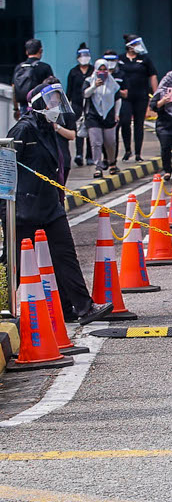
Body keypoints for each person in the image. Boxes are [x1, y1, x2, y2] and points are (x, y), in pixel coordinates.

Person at [7, 81, 114, 325]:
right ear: (38, 104)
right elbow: (7, 170)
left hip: (50, 207)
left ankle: (81, 308)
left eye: (57, 100)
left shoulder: (48, 129)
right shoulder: (23, 130)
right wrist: (7, 212)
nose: (55, 105)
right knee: (15, 266)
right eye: (51, 100)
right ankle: (7, 307)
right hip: (24, 211)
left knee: (65, 256)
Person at [117, 33, 158, 162]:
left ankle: (138, 153)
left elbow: (152, 75)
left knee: (139, 124)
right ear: (129, 47)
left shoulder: (145, 59)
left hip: (141, 95)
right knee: (125, 122)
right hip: (125, 96)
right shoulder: (121, 59)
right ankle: (127, 149)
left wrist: (156, 94)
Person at [84, 58, 122, 178]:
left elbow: (117, 98)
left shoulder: (112, 83)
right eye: (99, 69)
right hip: (93, 116)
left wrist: (117, 113)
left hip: (109, 116)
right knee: (96, 142)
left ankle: (112, 163)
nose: (102, 72)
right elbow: (85, 94)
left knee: (110, 142)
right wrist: (94, 86)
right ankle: (98, 166)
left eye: (104, 69)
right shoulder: (89, 81)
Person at [12, 38, 54, 118]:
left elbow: (14, 88)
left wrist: (16, 108)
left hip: (23, 107)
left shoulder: (19, 68)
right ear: (40, 50)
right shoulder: (45, 67)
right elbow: (51, 90)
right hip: (41, 108)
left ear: (26, 52)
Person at [66, 43, 93, 167]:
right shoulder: (73, 72)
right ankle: (79, 154)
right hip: (76, 104)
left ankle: (89, 156)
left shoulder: (93, 71)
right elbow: (69, 91)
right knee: (78, 131)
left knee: (91, 131)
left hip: (90, 105)